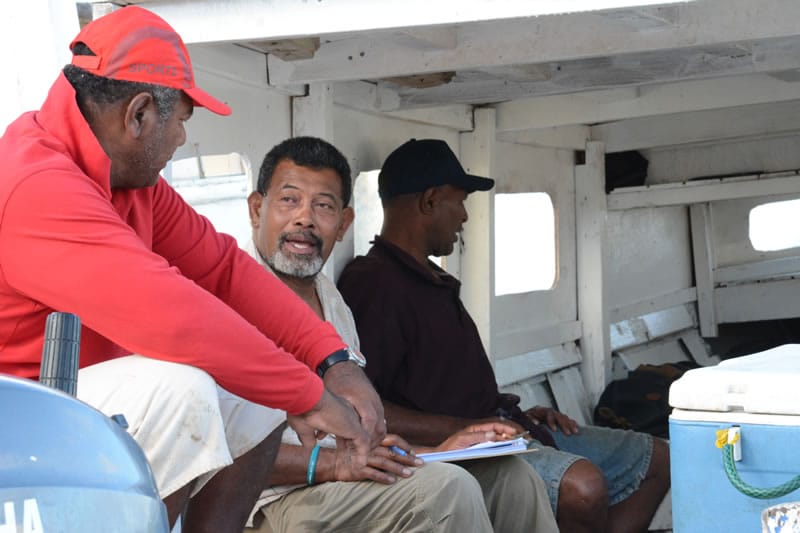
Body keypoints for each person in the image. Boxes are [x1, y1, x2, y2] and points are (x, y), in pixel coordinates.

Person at [0, 7, 384, 532]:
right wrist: (308, 394)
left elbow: (223, 270)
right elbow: (175, 318)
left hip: (56, 409)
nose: (181, 138)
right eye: (181, 120)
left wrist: (331, 360)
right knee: (183, 389)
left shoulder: (127, 181)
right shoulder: (36, 185)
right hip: (17, 416)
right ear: (138, 115)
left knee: (255, 392)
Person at [338, 138, 672, 533]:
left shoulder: (431, 278)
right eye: (460, 202)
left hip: (507, 426)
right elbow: (368, 409)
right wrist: (468, 428)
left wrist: (512, 413)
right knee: (583, 488)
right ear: (430, 201)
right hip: (462, 449)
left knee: (659, 459)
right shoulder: (375, 285)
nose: (464, 216)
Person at [243, 136, 558, 532]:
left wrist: (439, 450)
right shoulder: (230, 300)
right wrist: (336, 464)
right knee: (447, 490)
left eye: (323, 206)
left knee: (511, 479)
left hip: (348, 476)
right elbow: (220, 453)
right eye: (289, 200)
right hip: (275, 501)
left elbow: (359, 440)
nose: (304, 218)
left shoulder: (332, 301)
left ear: (343, 224)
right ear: (257, 209)